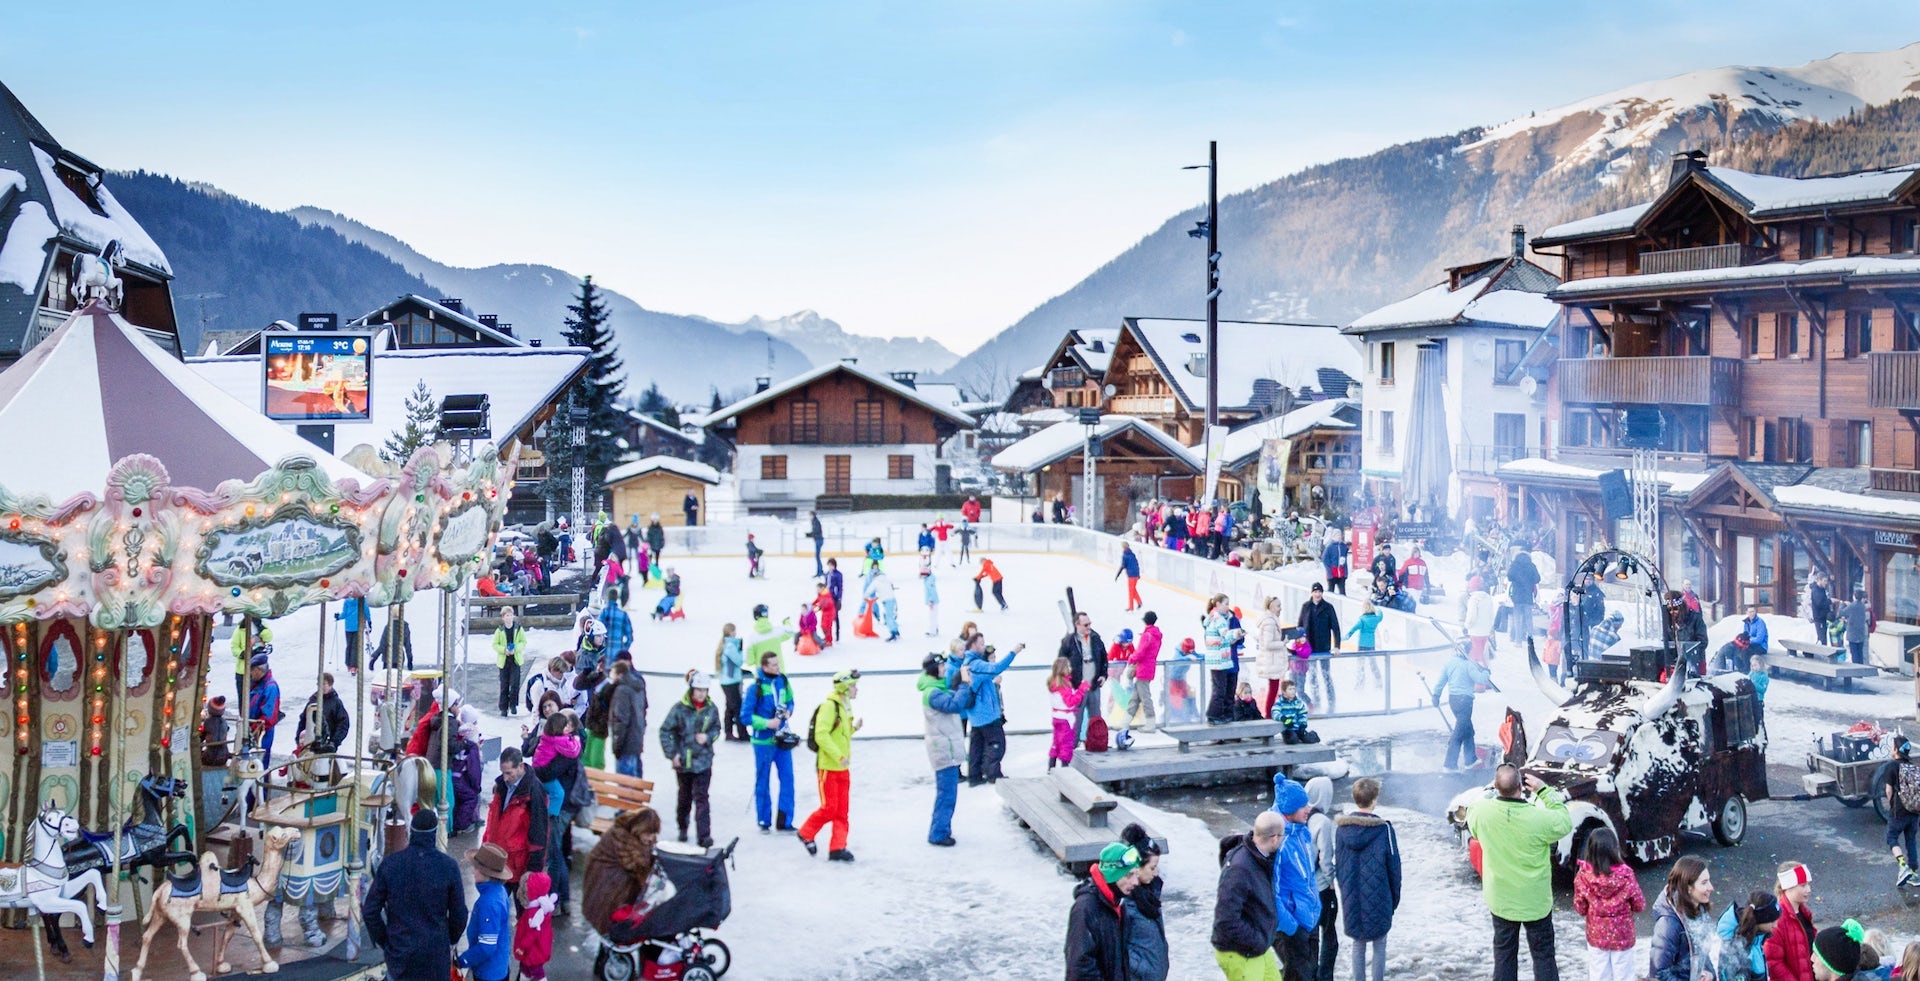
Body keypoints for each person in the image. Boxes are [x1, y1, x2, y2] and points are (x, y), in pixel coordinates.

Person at [1464, 764, 1571, 981]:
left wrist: (1492, 791)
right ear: (1521, 787)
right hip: (1535, 901)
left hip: (1501, 899)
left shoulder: (1482, 813)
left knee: (1504, 955)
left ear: (1495, 786)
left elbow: (1474, 808)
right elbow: (1564, 820)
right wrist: (1544, 790)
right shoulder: (1538, 818)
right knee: (1543, 956)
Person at [363, 809, 469, 981]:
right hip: (434, 957)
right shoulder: (448, 867)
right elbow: (460, 915)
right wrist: (449, 940)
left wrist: (386, 941)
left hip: (400, 955)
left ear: (411, 832)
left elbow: (370, 911)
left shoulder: (391, 864)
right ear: (434, 834)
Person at [1335, 777, 1402, 981]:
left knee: (1358, 943)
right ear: (1374, 800)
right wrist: (1394, 899)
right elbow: (1394, 868)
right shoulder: (1384, 830)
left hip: (1352, 895)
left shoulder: (1341, 830)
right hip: (1379, 896)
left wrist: (1345, 891)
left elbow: (1339, 865)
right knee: (1380, 943)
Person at [1212, 811, 1285, 981]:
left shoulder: (1260, 858)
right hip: (1240, 952)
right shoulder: (1240, 869)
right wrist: (1257, 940)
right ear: (1274, 838)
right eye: (1282, 836)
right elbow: (1225, 920)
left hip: (1257, 946)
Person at [798, 669, 862, 862]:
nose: (856, 689)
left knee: (842, 810)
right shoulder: (829, 706)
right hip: (828, 767)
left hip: (843, 767)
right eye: (853, 686)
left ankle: (838, 847)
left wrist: (853, 729)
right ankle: (806, 832)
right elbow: (821, 735)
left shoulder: (845, 705)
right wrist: (839, 756)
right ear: (844, 687)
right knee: (830, 808)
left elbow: (840, 734)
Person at [1066, 835, 1147, 980]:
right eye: (1129, 875)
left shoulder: (1117, 904)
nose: (1136, 882)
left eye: (1136, 875)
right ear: (1112, 875)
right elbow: (1080, 969)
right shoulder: (1085, 908)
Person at [1270, 777, 1324, 981]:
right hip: (1291, 926)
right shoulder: (1277, 842)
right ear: (1289, 809)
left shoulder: (1300, 831)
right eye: (1302, 805)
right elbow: (1270, 891)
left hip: (1308, 917)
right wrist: (1291, 927)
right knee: (1299, 977)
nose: (1308, 808)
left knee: (1311, 974)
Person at [1573, 827, 1643, 981]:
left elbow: (1580, 907)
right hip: (1623, 936)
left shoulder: (1583, 876)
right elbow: (1639, 904)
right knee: (1624, 976)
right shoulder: (1626, 875)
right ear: (1614, 848)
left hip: (1596, 936)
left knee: (1599, 975)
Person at [659, 671, 720, 848]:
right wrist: (672, 753)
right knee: (684, 797)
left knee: (702, 798)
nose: (701, 693)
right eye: (698, 690)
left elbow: (717, 730)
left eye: (704, 690)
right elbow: (665, 731)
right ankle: (683, 826)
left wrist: (708, 737)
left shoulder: (711, 709)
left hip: (703, 761)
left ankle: (704, 835)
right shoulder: (679, 708)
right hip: (684, 763)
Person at [919, 652, 973, 847]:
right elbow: (955, 705)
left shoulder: (936, 688)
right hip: (943, 749)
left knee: (948, 793)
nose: (944, 670)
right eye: (941, 667)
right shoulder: (933, 692)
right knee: (946, 794)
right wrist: (964, 684)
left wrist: (960, 682)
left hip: (945, 747)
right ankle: (938, 833)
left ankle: (942, 829)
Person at [529, 712, 580, 915]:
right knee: (555, 851)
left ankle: (557, 899)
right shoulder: (561, 743)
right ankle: (562, 899)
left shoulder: (569, 748)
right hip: (561, 803)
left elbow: (547, 772)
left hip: (562, 807)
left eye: (569, 723)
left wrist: (535, 771)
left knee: (553, 852)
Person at [581, 806, 662, 933]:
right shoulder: (623, 839)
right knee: (614, 923)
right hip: (604, 888)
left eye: (654, 834)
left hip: (602, 884)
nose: (651, 838)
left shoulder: (633, 835)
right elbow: (641, 869)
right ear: (638, 829)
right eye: (648, 833)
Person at [741, 650, 797, 832]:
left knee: (787, 779)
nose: (777, 667)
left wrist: (789, 711)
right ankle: (764, 820)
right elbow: (745, 716)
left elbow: (790, 701)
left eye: (778, 664)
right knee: (763, 781)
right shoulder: (754, 688)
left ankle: (785, 820)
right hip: (763, 743)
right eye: (773, 665)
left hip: (781, 740)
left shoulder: (783, 681)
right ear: (764, 667)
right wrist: (767, 723)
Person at [481, 745, 548, 890]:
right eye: (503, 772)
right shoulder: (502, 785)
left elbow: (539, 831)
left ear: (520, 766)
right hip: (499, 859)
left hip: (518, 865)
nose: (505, 778)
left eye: (508, 773)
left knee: (522, 908)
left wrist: (533, 869)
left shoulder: (534, 791)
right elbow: (494, 821)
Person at [963, 637, 1021, 785]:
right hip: (986, 715)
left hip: (976, 715)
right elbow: (996, 668)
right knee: (997, 743)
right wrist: (1014, 652)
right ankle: (992, 773)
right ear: (974, 645)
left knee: (977, 745)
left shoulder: (968, 663)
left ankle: (975, 775)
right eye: (981, 644)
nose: (983, 646)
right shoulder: (975, 665)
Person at [1650, 855, 1717, 981]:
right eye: (1704, 883)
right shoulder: (1669, 924)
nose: (1711, 888)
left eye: (1709, 881)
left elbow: (1703, 954)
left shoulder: (1699, 911)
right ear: (1688, 888)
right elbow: (1658, 974)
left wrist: (1710, 974)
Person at [457, 843, 515, 981]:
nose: (473, 872)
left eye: (476, 868)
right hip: (498, 966)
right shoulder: (499, 891)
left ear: (487, 873)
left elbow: (487, 947)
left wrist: (462, 961)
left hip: (489, 972)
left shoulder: (489, 903)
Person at [1119, 823, 1169, 981]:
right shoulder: (1125, 902)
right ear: (1137, 867)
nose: (1156, 873)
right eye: (1152, 868)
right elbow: (1115, 947)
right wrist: (1141, 968)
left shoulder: (1150, 895)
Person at [1434, 642, 1493, 770]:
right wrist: (1486, 672)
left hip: (1453, 700)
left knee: (1468, 730)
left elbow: (1441, 681)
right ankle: (1449, 765)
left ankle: (1470, 759)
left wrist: (1436, 695)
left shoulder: (1449, 663)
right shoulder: (1468, 665)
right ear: (1467, 651)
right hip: (1465, 701)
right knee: (1459, 733)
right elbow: (1481, 679)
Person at [1304, 776, 1340, 981]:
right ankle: (1325, 977)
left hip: (1303, 887)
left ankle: (1310, 975)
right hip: (1321, 887)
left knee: (1310, 936)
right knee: (1329, 935)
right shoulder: (1322, 822)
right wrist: (1331, 882)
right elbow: (1326, 858)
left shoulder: (1298, 815)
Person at [1060, 612, 1109, 739]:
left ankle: (1096, 743)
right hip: (1077, 687)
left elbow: (1104, 658)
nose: (1089, 627)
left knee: (1096, 718)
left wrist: (1103, 675)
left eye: (1089, 624)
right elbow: (1061, 662)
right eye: (1086, 624)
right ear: (1077, 625)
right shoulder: (1069, 641)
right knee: (1076, 718)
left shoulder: (1095, 638)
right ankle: (1072, 746)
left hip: (1093, 686)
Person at [1767, 861, 1817, 981]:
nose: (1809, 889)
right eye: (1803, 885)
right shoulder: (1777, 919)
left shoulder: (1804, 914)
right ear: (1788, 887)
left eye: (1808, 884)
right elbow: (1773, 962)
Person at [1297, 583, 1342, 714]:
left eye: (1320, 592)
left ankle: (1331, 703)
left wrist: (1337, 646)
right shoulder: (1306, 607)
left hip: (1323, 648)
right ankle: (1316, 703)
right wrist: (1299, 643)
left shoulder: (1328, 607)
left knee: (1326, 676)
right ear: (1311, 593)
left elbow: (1336, 628)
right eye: (1315, 592)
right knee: (1312, 677)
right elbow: (1299, 627)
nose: (1318, 594)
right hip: (1309, 648)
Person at [1717, 891, 1780, 981]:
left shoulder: (1755, 940)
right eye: (1772, 921)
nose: (1776, 925)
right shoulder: (1739, 949)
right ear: (1761, 919)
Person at [1200, 595, 1243, 725]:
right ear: (1217, 604)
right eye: (1225, 604)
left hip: (1220, 659)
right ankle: (1214, 715)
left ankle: (1220, 715)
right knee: (1220, 690)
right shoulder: (1219, 619)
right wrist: (1238, 633)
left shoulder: (1216, 618)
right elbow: (1226, 635)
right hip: (1219, 660)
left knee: (1222, 689)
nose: (1227, 607)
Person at [1047, 657, 1093, 770]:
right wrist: (1081, 689)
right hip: (1066, 719)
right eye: (1068, 666)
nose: (1070, 668)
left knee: (1056, 742)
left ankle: (1051, 766)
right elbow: (1071, 701)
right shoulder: (1063, 686)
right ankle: (1065, 768)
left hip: (1057, 717)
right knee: (1066, 744)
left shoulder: (1054, 683)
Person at [607, 658, 649, 778]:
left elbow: (621, 719)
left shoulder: (622, 691)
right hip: (635, 740)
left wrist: (617, 745)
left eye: (612, 672)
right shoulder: (637, 688)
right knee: (635, 779)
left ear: (619, 674)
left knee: (624, 783)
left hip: (625, 743)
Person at [514, 870, 558, 981]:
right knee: (526, 968)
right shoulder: (541, 908)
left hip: (532, 950)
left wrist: (522, 947)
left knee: (537, 972)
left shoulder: (533, 913)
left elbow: (532, 933)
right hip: (538, 947)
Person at [1887, 735, 1920, 885]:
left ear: (1895, 750)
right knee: (1911, 840)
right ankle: (1914, 874)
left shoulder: (1892, 766)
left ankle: (1902, 866)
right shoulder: (1913, 766)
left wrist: (1892, 803)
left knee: (1892, 837)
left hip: (1899, 810)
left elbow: (1888, 790)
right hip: (1914, 810)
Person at [295, 672, 351, 756]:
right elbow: (303, 720)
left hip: (328, 745)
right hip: (310, 744)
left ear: (330, 685)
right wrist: (298, 738)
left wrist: (334, 742)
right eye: (319, 684)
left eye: (324, 684)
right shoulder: (313, 701)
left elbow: (343, 724)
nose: (322, 687)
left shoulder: (336, 703)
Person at [1255, 596, 1289, 718]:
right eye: (1278, 606)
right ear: (1271, 607)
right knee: (1273, 690)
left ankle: (1270, 715)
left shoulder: (1272, 619)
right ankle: (1268, 716)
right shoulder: (1269, 622)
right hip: (1271, 661)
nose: (1281, 609)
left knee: (1274, 690)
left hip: (1273, 660)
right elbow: (1268, 644)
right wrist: (1283, 643)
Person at [246, 653, 282, 765]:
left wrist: (254, 729)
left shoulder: (270, 687)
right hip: (253, 730)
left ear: (259, 670)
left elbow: (268, 717)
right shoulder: (257, 684)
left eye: (252, 670)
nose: (250, 674)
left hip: (262, 734)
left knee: (259, 765)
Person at [715, 624, 748, 742]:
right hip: (731, 681)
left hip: (726, 681)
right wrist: (741, 650)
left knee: (730, 707)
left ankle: (728, 732)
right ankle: (742, 733)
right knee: (738, 708)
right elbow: (738, 661)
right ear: (731, 632)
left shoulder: (726, 644)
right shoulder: (730, 646)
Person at [492, 606, 528, 717]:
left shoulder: (518, 628)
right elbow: (495, 644)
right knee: (504, 685)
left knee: (515, 684)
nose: (509, 618)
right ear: (503, 618)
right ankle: (503, 707)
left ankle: (513, 705)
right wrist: (504, 650)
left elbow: (523, 641)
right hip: (504, 660)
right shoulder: (499, 630)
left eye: (511, 615)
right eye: (507, 616)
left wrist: (516, 649)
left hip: (515, 659)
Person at [1667, 591, 1709, 676]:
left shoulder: (1695, 618)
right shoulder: (1668, 622)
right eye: (1669, 609)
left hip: (1695, 662)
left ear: (1681, 607)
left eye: (1675, 609)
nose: (1672, 612)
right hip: (1676, 663)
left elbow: (1703, 641)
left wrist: (1690, 655)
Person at [1131, 611, 1161, 732]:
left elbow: (1140, 652)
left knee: (1145, 697)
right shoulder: (1156, 635)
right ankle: (1125, 722)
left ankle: (1151, 722)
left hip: (1143, 669)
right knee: (1135, 697)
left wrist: (1131, 659)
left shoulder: (1147, 635)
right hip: (1149, 668)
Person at [1506, 547, 1540, 644]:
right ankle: (1530, 639)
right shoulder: (1531, 565)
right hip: (1528, 595)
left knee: (1517, 618)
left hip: (1517, 595)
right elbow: (1537, 579)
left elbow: (1509, 577)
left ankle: (1518, 640)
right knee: (1528, 618)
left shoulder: (1514, 565)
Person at [1349, 599, 1385, 688]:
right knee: (1373, 665)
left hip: (1362, 646)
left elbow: (1352, 630)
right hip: (1371, 646)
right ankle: (1379, 683)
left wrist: (1344, 638)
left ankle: (1360, 684)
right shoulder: (1376, 619)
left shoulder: (1362, 620)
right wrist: (1377, 608)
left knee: (1360, 666)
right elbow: (1381, 615)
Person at [1464, 577, 1497, 664]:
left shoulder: (1473, 600)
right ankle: (1483, 668)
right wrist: (1489, 627)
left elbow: (1472, 617)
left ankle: (1477, 670)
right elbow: (1491, 614)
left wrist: (1467, 626)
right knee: (1481, 651)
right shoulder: (1488, 598)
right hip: (1485, 631)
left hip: (1475, 631)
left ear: (1472, 587)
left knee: (1475, 654)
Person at [600, 585, 634, 660]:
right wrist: (623, 649)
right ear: (617, 598)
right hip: (618, 656)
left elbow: (597, 633)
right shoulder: (623, 615)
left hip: (604, 656)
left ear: (607, 598)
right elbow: (630, 638)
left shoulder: (603, 613)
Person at [336, 595, 368, 673]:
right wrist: (369, 621)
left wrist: (338, 617)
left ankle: (348, 664)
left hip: (348, 626)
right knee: (355, 647)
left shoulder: (347, 601)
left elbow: (345, 613)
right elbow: (366, 611)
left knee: (349, 645)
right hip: (358, 626)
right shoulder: (362, 600)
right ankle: (354, 666)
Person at [867, 572, 900, 641]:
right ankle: (896, 631)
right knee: (890, 615)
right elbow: (891, 586)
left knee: (888, 617)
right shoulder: (886, 579)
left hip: (886, 600)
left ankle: (893, 632)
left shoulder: (875, 581)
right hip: (892, 598)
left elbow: (869, 590)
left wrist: (865, 597)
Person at [1844, 588, 1872, 665]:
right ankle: (1863, 667)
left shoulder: (1861, 607)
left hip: (1859, 631)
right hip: (1863, 631)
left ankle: (1862, 668)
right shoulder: (1865, 607)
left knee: (1859, 652)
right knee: (1861, 651)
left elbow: (1842, 612)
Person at [1116, 542, 1143, 611]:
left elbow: (1123, 566)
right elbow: (1136, 564)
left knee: (1131, 591)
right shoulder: (1132, 554)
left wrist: (1118, 575)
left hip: (1131, 575)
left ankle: (1131, 607)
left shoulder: (1125, 555)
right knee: (1133, 589)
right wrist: (1138, 574)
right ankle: (1139, 602)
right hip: (1136, 574)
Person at [1322, 531, 1349, 596]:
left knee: (1342, 591)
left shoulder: (1343, 546)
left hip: (1341, 572)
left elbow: (1345, 560)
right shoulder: (1330, 547)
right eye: (1337, 535)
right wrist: (1329, 570)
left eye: (1339, 535)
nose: (1338, 537)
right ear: (1333, 537)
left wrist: (1345, 572)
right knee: (1331, 591)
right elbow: (1325, 559)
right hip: (1332, 572)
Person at [920, 552, 941, 637]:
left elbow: (932, 591)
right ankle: (934, 629)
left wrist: (931, 601)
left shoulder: (929, 581)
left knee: (932, 616)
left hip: (933, 601)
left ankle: (933, 631)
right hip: (932, 601)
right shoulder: (928, 579)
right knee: (933, 616)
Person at [813, 580, 838, 648]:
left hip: (829, 613)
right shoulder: (821, 594)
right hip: (825, 613)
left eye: (818, 589)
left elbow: (824, 605)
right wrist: (812, 604)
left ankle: (829, 641)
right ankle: (827, 638)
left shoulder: (826, 596)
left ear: (822, 588)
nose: (817, 590)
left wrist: (817, 608)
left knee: (827, 627)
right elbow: (818, 600)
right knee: (823, 626)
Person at [645, 514, 666, 580]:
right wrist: (648, 545)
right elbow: (648, 537)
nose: (655, 521)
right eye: (654, 519)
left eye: (656, 519)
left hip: (658, 546)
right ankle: (649, 574)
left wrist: (662, 544)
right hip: (651, 546)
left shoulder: (660, 528)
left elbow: (662, 537)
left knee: (657, 560)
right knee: (650, 561)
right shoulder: (650, 528)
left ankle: (656, 574)